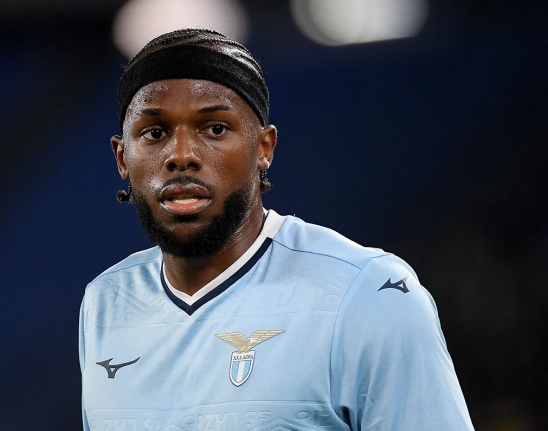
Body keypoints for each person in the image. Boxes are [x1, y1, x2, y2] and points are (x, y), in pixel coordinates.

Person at [79, 28, 474, 431]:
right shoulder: (104, 301)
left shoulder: (368, 291)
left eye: (215, 128)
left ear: (264, 148)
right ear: (122, 157)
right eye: (155, 133)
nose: (181, 155)